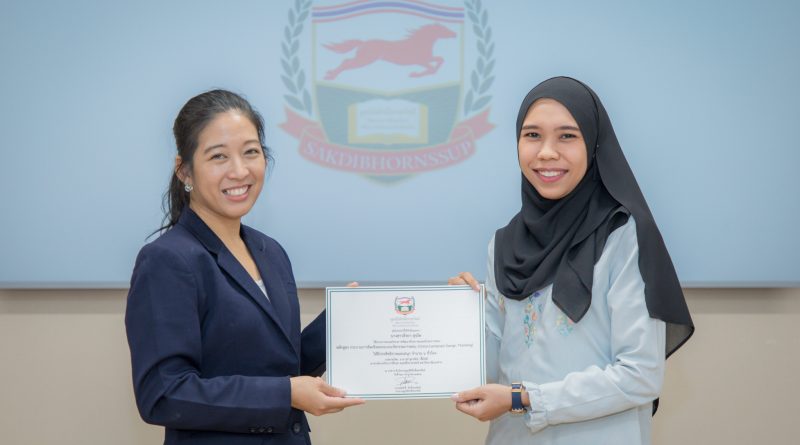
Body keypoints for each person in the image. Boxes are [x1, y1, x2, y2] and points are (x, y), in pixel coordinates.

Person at [448, 77, 694, 444]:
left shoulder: (623, 235)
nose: (546, 152)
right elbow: (494, 371)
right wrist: (462, 320)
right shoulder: (503, 244)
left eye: (567, 136)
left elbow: (640, 375)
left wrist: (525, 398)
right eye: (532, 135)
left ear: (593, 144)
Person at [125, 89, 363, 445]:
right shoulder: (167, 260)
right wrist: (286, 394)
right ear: (184, 170)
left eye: (251, 152)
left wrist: (339, 322)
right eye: (218, 156)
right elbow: (164, 394)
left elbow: (276, 366)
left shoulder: (271, 251)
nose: (239, 171)